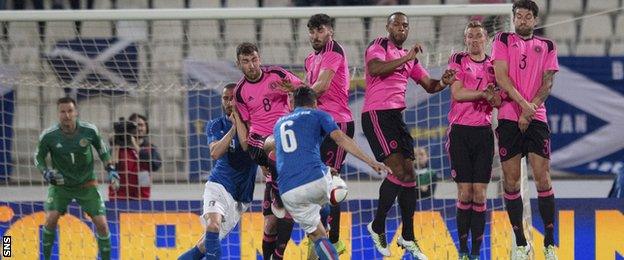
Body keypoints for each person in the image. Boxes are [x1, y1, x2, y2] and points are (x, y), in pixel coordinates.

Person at [362, 11, 455, 259]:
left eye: (405, 25)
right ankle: (377, 225)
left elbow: (429, 85)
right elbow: (375, 68)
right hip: (376, 115)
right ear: (388, 27)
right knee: (399, 172)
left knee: (410, 176)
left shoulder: (409, 59)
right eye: (397, 25)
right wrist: (406, 58)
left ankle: (408, 236)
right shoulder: (379, 46)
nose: (401, 29)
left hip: (396, 117)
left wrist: (443, 82)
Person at [273, 87, 391, 260]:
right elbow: (340, 138)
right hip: (315, 180)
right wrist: (370, 161)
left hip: (288, 192)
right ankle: (329, 212)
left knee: (319, 237)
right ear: (315, 103)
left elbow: (283, 155)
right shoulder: (319, 114)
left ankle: (321, 220)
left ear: (292, 104)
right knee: (336, 184)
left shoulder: (279, 123)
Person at [491, 1, 559, 259]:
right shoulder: (502, 39)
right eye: (518, 16)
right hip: (509, 117)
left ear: (534, 20)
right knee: (511, 182)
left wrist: (531, 109)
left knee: (542, 176)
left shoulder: (548, 45)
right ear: (513, 18)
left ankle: (549, 242)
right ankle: (520, 242)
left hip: (537, 117)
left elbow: (548, 82)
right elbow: (501, 78)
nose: (522, 20)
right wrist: (523, 107)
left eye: (527, 17)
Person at [233, 42, 304, 260]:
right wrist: (260, 162)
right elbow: (245, 125)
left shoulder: (276, 75)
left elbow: (304, 89)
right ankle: (279, 191)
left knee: (272, 221)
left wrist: (294, 89)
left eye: (254, 59)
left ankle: (275, 256)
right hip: (260, 142)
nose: (252, 65)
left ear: (259, 58)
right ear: (239, 64)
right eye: (246, 61)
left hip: (286, 138)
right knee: (275, 144)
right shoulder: (240, 92)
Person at [178, 83, 257, 260]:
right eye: (225, 98)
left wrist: (240, 123)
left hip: (241, 196)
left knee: (204, 246)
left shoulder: (254, 125)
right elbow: (215, 152)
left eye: (232, 98)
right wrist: (233, 128)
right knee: (213, 226)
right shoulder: (216, 125)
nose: (229, 102)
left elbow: (252, 149)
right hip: (218, 186)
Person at [34, 96, 119, 260]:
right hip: (61, 185)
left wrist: (111, 170)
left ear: (76, 112)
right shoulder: (49, 136)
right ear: (58, 114)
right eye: (63, 112)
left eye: (70, 111)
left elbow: (103, 152)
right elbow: (38, 158)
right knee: (51, 219)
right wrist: (45, 172)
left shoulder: (90, 130)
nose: (67, 115)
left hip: (86, 184)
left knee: (102, 224)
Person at [446, 20, 500, 260]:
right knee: (464, 193)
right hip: (459, 132)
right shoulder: (458, 59)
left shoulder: (494, 65)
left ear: (486, 38)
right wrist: (483, 94)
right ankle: (463, 249)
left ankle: (477, 252)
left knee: (479, 193)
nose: (475, 39)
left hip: (483, 133)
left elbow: (498, 102)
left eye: (479, 35)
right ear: (465, 40)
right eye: (471, 36)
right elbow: (457, 93)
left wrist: (494, 97)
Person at [304, 13, 354, 255]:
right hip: (317, 124)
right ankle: (321, 233)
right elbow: (307, 89)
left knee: (330, 181)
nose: (316, 36)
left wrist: (299, 102)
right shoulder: (310, 59)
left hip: (337, 124)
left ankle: (333, 239)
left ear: (330, 31)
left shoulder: (334, 50)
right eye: (312, 31)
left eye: (320, 30)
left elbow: (321, 86)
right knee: (316, 180)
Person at [130, 113, 162, 198]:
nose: (139, 128)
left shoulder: (151, 148)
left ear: (146, 128)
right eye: (136, 125)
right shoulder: (122, 147)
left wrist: (136, 147)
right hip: (122, 195)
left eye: (142, 125)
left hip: (143, 195)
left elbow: (155, 165)